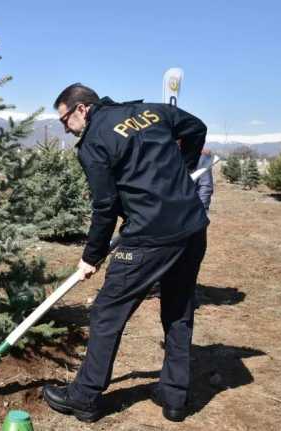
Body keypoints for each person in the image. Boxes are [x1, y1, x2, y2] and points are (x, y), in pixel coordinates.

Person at [42, 83, 209, 423]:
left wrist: (92, 255)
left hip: (149, 237)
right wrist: (182, 169)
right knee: (178, 308)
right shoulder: (152, 111)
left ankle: (84, 396)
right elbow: (196, 128)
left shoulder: (93, 143)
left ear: (82, 109)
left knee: (106, 312)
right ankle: (174, 396)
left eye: (64, 120)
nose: (65, 128)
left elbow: (105, 206)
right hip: (192, 226)